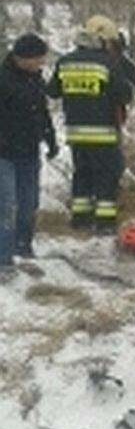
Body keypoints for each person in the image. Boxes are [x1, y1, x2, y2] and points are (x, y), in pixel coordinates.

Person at [47, 15, 133, 233]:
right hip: (103, 132)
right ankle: (104, 224)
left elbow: (53, 92)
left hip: (75, 133)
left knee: (82, 173)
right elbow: (124, 94)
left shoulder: (65, 62)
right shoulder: (106, 64)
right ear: (102, 42)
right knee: (108, 174)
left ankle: (80, 219)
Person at [0, 34, 58, 271]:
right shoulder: (3, 80)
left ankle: (23, 246)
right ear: (23, 57)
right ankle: (3, 257)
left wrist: (50, 139)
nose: (41, 63)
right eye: (38, 59)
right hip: (4, 154)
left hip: (29, 151)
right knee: (6, 204)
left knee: (29, 203)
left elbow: (42, 112)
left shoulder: (36, 79)